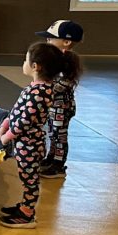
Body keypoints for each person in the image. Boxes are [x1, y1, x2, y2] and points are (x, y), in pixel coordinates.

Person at [0, 42, 65, 228]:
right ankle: (25, 206)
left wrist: (7, 135)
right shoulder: (34, 88)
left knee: (30, 178)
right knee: (25, 175)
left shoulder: (40, 92)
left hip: (30, 144)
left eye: (26, 60)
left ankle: (27, 214)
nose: (23, 63)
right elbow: (17, 110)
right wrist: (4, 125)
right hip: (24, 143)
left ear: (35, 66)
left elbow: (24, 120)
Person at [36, 20, 84, 179]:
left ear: (66, 41)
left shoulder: (67, 61)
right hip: (53, 106)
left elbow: (63, 82)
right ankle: (51, 157)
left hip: (62, 107)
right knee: (52, 133)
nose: (47, 42)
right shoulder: (55, 59)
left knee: (60, 135)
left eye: (51, 39)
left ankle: (59, 164)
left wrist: (47, 90)